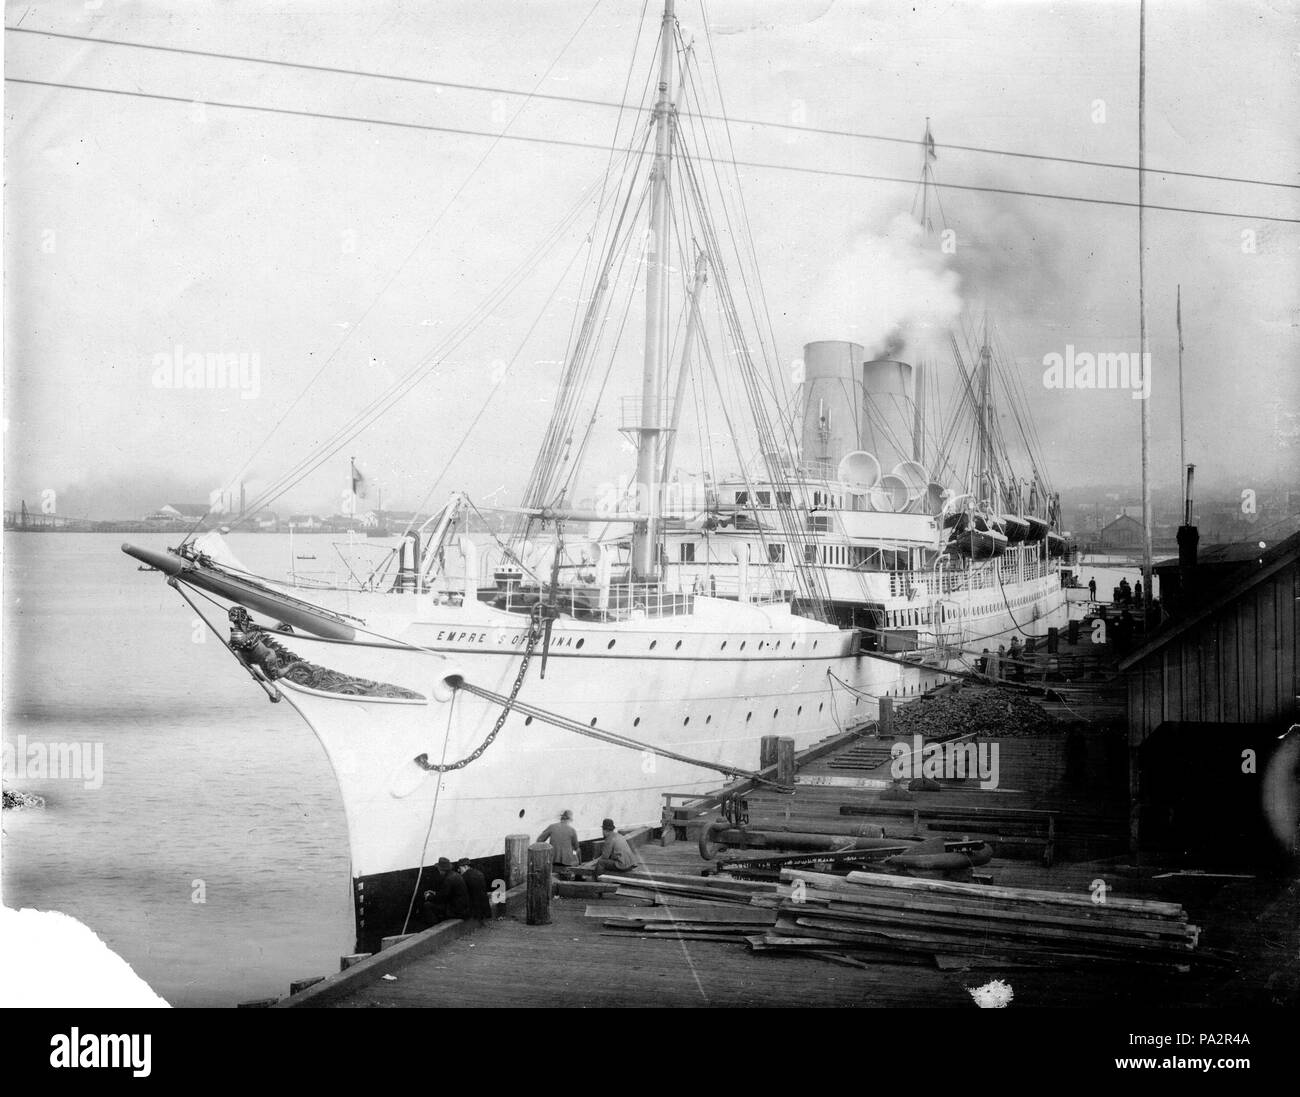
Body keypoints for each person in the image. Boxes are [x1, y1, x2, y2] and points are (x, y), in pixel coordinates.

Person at [425, 856, 470, 923]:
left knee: (427, 905)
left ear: (441, 870)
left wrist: (429, 897)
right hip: (463, 908)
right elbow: (447, 894)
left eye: (438, 869)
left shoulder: (448, 880)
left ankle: (435, 925)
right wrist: (435, 893)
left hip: (457, 911)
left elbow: (441, 899)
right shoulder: (455, 875)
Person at [456, 857, 492, 923]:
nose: (458, 870)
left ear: (465, 866)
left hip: (474, 910)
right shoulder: (479, 873)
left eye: (459, 868)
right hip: (485, 909)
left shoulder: (464, 877)